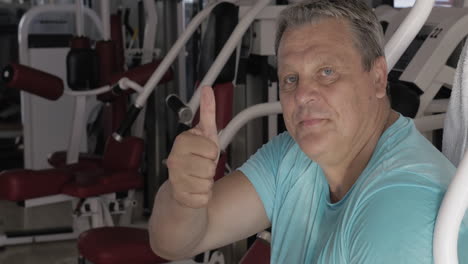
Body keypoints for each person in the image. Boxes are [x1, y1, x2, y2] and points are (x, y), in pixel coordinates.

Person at [149, 0, 468, 263]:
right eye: (291, 79)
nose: (302, 95)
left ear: (378, 78)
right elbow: (173, 243)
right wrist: (182, 197)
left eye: (327, 72)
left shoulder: (402, 213)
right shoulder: (293, 155)